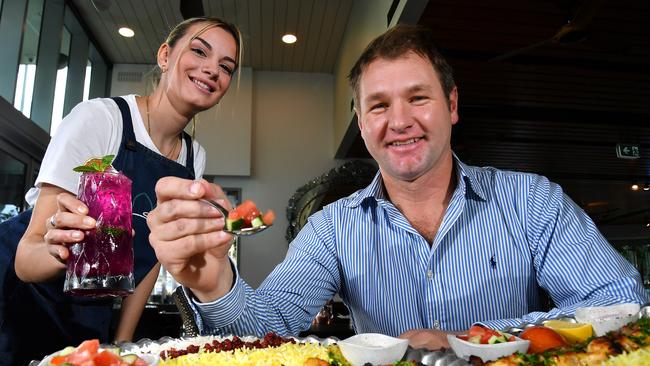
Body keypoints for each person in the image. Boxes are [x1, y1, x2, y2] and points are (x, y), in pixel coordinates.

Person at [146, 24, 648, 351]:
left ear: (451, 105)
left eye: (418, 98)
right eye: (379, 106)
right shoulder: (331, 229)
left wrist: (471, 341)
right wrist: (213, 283)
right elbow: (269, 328)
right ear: (362, 124)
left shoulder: (533, 201)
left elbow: (621, 304)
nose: (400, 121)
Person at [0, 16, 241, 364]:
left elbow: (151, 258)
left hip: (90, 310)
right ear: (164, 56)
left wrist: (123, 345)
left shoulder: (193, 158)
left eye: (226, 66)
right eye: (199, 52)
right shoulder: (101, 119)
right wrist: (62, 251)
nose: (211, 70)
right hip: (19, 297)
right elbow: (27, 258)